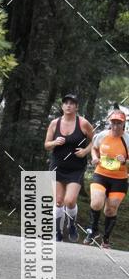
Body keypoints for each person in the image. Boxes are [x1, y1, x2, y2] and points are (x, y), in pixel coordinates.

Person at [44, 93, 93, 242]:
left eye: (72, 103)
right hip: (57, 166)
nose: (68, 105)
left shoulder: (83, 123)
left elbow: (95, 140)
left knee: (70, 201)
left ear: (77, 107)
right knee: (59, 201)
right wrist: (54, 143)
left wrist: (85, 151)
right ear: (62, 106)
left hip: (75, 168)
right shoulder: (54, 123)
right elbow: (46, 145)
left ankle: (72, 224)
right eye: (66, 103)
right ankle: (57, 232)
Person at [84, 108, 129, 249]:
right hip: (101, 175)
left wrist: (125, 161)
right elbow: (94, 148)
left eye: (118, 123)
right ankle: (93, 231)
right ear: (110, 122)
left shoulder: (127, 139)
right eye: (113, 122)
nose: (115, 126)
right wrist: (94, 157)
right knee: (96, 202)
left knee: (110, 209)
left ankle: (106, 239)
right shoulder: (102, 135)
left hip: (119, 179)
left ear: (123, 123)